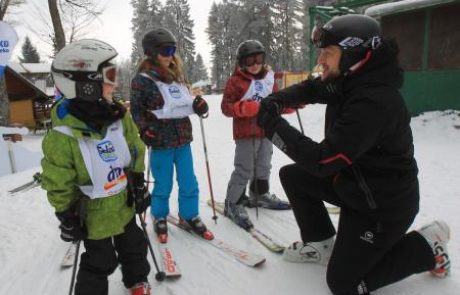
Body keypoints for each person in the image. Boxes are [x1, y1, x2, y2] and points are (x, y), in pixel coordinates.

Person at [256, 14, 450, 294]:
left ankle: (426, 247)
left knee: (343, 284)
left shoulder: (373, 102)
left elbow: (323, 161)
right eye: (321, 51)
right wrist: (277, 100)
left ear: (355, 53)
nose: (321, 59)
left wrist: (272, 126)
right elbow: (314, 87)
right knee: (294, 176)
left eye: (328, 53)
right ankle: (321, 243)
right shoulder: (352, 77)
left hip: (381, 207)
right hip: (355, 185)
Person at [41, 40, 152, 295]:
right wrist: (66, 212)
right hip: (93, 214)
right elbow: (57, 177)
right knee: (100, 261)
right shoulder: (63, 133)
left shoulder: (118, 115)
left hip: (123, 203)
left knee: (134, 246)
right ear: (87, 84)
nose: (115, 83)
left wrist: (137, 180)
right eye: (109, 76)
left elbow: (134, 146)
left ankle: (137, 280)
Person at [130, 28, 213, 243]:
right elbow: (137, 111)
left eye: (173, 50)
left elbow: (186, 103)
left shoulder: (177, 76)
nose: (171, 55)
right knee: (163, 183)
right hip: (160, 142)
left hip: (183, 139)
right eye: (166, 51)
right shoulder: (142, 80)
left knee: (188, 181)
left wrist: (199, 106)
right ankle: (159, 215)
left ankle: (189, 214)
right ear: (152, 53)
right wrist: (143, 129)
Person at [221, 40, 293, 231]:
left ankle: (259, 194)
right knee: (244, 168)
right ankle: (232, 203)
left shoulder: (269, 78)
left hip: (266, 130)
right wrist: (244, 107)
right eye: (249, 60)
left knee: (263, 165)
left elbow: (276, 101)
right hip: (246, 133)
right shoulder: (235, 81)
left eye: (258, 58)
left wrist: (291, 104)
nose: (254, 64)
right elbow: (226, 107)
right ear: (241, 63)